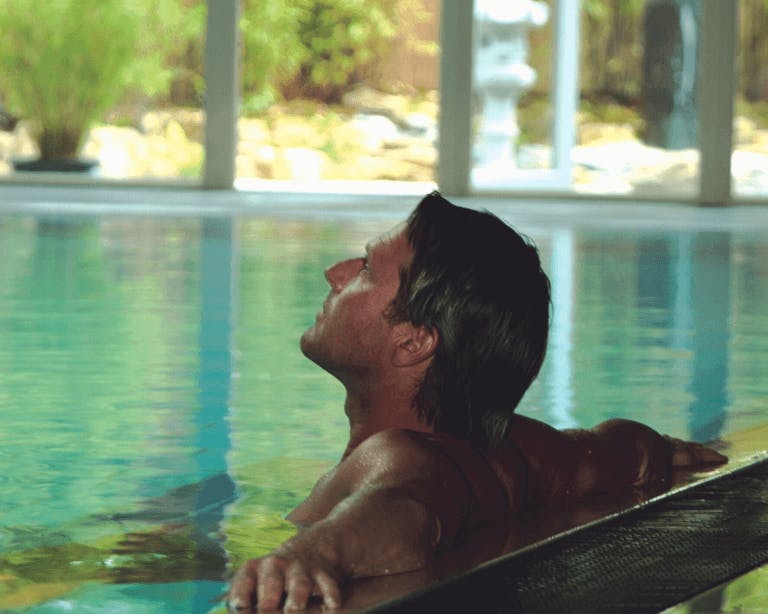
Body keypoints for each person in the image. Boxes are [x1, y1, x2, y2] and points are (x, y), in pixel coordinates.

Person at [227, 192, 726, 612]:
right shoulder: (518, 450)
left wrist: (315, 553)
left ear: (413, 342)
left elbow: (404, 509)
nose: (335, 272)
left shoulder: (398, 455)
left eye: (367, 270)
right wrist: (658, 448)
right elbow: (616, 448)